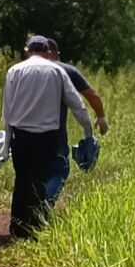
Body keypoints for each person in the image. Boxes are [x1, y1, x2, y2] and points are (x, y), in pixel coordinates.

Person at [2, 35, 93, 239]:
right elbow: (77, 104)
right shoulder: (56, 71)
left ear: (27, 51)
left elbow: (7, 109)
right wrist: (88, 131)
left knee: (23, 179)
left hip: (21, 135)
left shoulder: (14, 71)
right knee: (40, 180)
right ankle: (35, 226)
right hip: (47, 136)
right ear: (47, 51)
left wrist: (6, 141)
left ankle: (17, 225)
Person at [45, 38, 108, 204]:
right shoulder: (66, 70)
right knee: (59, 170)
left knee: (30, 172)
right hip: (54, 131)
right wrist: (100, 117)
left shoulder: (22, 71)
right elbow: (90, 97)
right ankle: (44, 206)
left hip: (24, 131)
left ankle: (27, 212)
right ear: (55, 53)